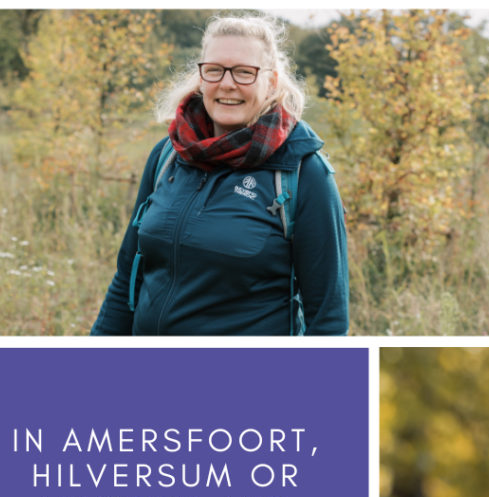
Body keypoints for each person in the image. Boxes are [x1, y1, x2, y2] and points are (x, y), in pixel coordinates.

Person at [91, 14, 348, 336]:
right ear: (201, 77)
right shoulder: (168, 156)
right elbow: (128, 276)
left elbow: (328, 319)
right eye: (214, 70)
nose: (227, 83)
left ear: (270, 81)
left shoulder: (303, 171)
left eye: (244, 72)